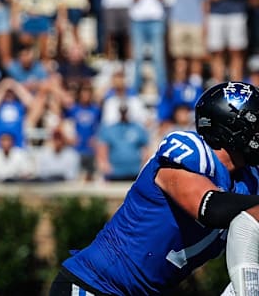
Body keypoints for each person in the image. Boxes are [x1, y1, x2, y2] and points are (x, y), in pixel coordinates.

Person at [49, 81, 259, 295]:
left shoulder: (250, 180)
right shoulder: (190, 152)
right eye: (255, 123)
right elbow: (209, 206)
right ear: (231, 127)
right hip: (95, 284)